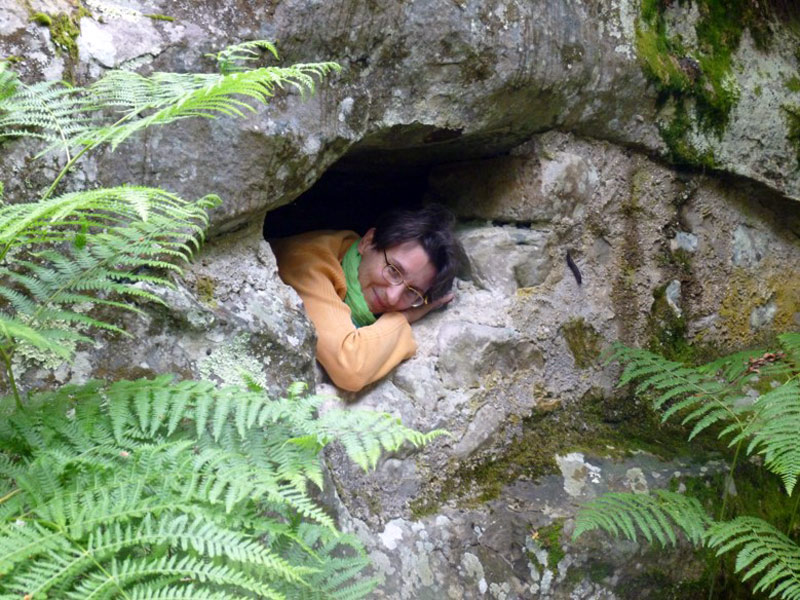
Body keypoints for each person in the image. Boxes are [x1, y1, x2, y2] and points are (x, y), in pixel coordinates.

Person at [271, 204, 460, 392]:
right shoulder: (306, 260)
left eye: (412, 292)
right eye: (394, 271)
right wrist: (404, 318)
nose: (393, 298)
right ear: (368, 242)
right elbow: (350, 366)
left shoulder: (354, 266)